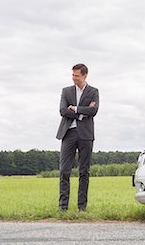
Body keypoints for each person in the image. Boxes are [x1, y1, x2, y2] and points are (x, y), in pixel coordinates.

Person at [56, 63, 99, 211]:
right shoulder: (66, 91)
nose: (73, 78)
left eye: (77, 75)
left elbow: (93, 110)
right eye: (72, 75)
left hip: (86, 135)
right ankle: (63, 207)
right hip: (68, 133)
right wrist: (83, 112)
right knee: (64, 170)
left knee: (84, 171)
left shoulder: (93, 91)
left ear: (85, 75)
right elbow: (62, 110)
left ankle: (82, 207)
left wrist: (75, 108)